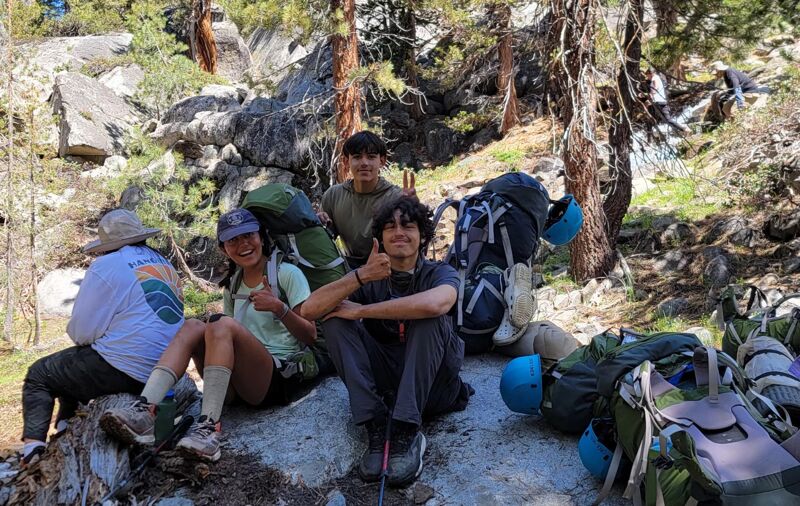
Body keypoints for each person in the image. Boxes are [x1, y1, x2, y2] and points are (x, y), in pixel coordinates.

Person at [101, 208, 318, 462]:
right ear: (224, 249)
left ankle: (209, 429)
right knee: (193, 325)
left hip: (277, 377)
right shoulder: (234, 285)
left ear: (261, 236)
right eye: (233, 240)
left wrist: (279, 308)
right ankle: (145, 408)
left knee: (220, 324)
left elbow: (311, 335)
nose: (243, 244)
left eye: (249, 235)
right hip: (237, 386)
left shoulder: (287, 274)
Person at [302, 196, 472, 487]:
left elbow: (437, 304)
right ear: (380, 237)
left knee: (427, 317)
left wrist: (364, 310)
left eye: (408, 226)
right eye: (390, 227)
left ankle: (407, 431)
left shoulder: (439, 272)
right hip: (388, 388)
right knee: (334, 319)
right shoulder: (370, 278)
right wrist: (360, 276)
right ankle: (375, 424)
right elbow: (309, 310)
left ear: (422, 237)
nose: (399, 232)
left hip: (434, 388)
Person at [20, 209, 185, 466]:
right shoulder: (161, 260)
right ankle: (65, 426)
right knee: (74, 365)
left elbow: (81, 331)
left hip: (129, 368)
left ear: (107, 244)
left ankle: (33, 449)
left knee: (40, 374)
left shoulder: (107, 265)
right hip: (169, 367)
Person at [317, 131, 416, 268]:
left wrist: (414, 208)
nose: (364, 163)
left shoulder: (396, 197)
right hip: (348, 267)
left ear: (381, 161)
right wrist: (319, 223)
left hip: (387, 267)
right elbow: (324, 240)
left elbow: (414, 241)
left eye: (371, 157)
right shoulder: (333, 195)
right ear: (347, 161)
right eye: (357, 157)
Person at [644, 67, 690, 134]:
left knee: (668, 120)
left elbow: (655, 89)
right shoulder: (657, 78)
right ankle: (650, 137)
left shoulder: (654, 78)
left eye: (647, 75)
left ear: (650, 74)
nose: (647, 77)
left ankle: (684, 128)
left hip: (659, 102)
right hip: (656, 102)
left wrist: (648, 95)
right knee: (649, 119)